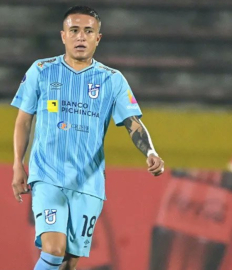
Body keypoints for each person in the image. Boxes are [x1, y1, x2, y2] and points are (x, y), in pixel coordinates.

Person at [11, 5, 165, 270]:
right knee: (54, 250)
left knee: (69, 263)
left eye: (88, 31)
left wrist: (150, 152)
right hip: (48, 176)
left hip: (89, 184)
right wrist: (17, 164)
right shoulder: (41, 70)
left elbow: (133, 123)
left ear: (98, 38)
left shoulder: (112, 80)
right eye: (74, 30)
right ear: (63, 36)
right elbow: (24, 120)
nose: (80, 37)